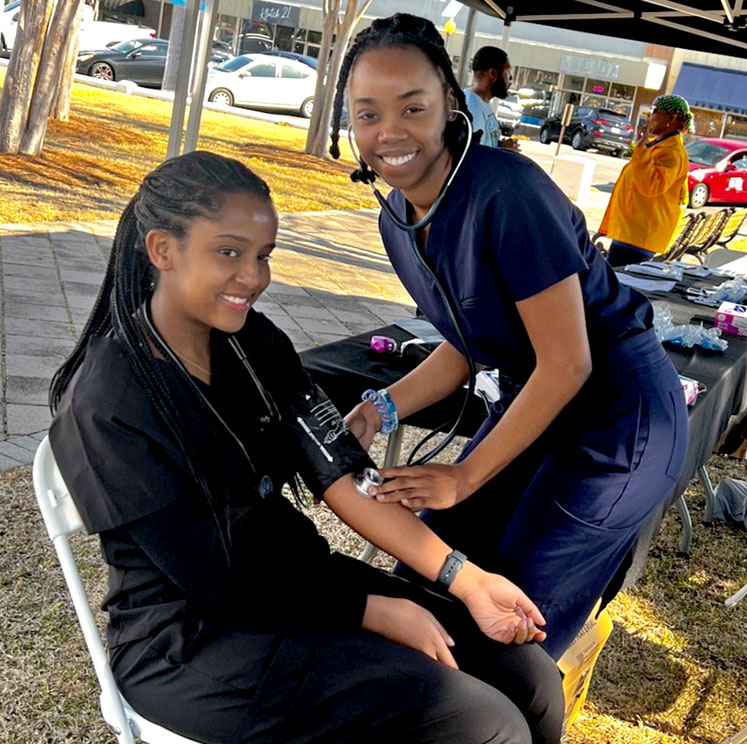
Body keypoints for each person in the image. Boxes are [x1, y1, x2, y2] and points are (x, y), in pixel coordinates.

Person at [48, 151, 564, 744]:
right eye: (229, 253)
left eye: (263, 256)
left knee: (529, 678)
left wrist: (466, 579)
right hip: (193, 642)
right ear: (163, 249)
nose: (253, 277)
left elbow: (344, 475)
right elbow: (215, 579)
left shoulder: (255, 344)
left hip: (303, 586)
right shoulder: (108, 400)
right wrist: (373, 611)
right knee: (482, 724)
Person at [328, 13, 688, 661]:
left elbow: (568, 363)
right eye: (367, 113)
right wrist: (381, 407)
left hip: (618, 421)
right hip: (537, 405)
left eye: (412, 106)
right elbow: (468, 340)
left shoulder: (508, 193)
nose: (390, 132)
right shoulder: (396, 217)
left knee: (516, 615)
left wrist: (464, 475)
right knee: (432, 573)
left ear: (450, 101)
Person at [600, 95, 692, 267]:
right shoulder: (659, 146)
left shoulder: (672, 153)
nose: (649, 117)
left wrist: (641, 149)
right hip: (632, 232)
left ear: (671, 118)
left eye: (655, 112)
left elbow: (650, 186)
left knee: (618, 285)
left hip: (639, 236)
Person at [463, 45, 519, 151]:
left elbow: (483, 146)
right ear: (493, 73)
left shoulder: (481, 103)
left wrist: (500, 145)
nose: (510, 80)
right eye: (507, 72)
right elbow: (473, 156)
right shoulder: (472, 107)